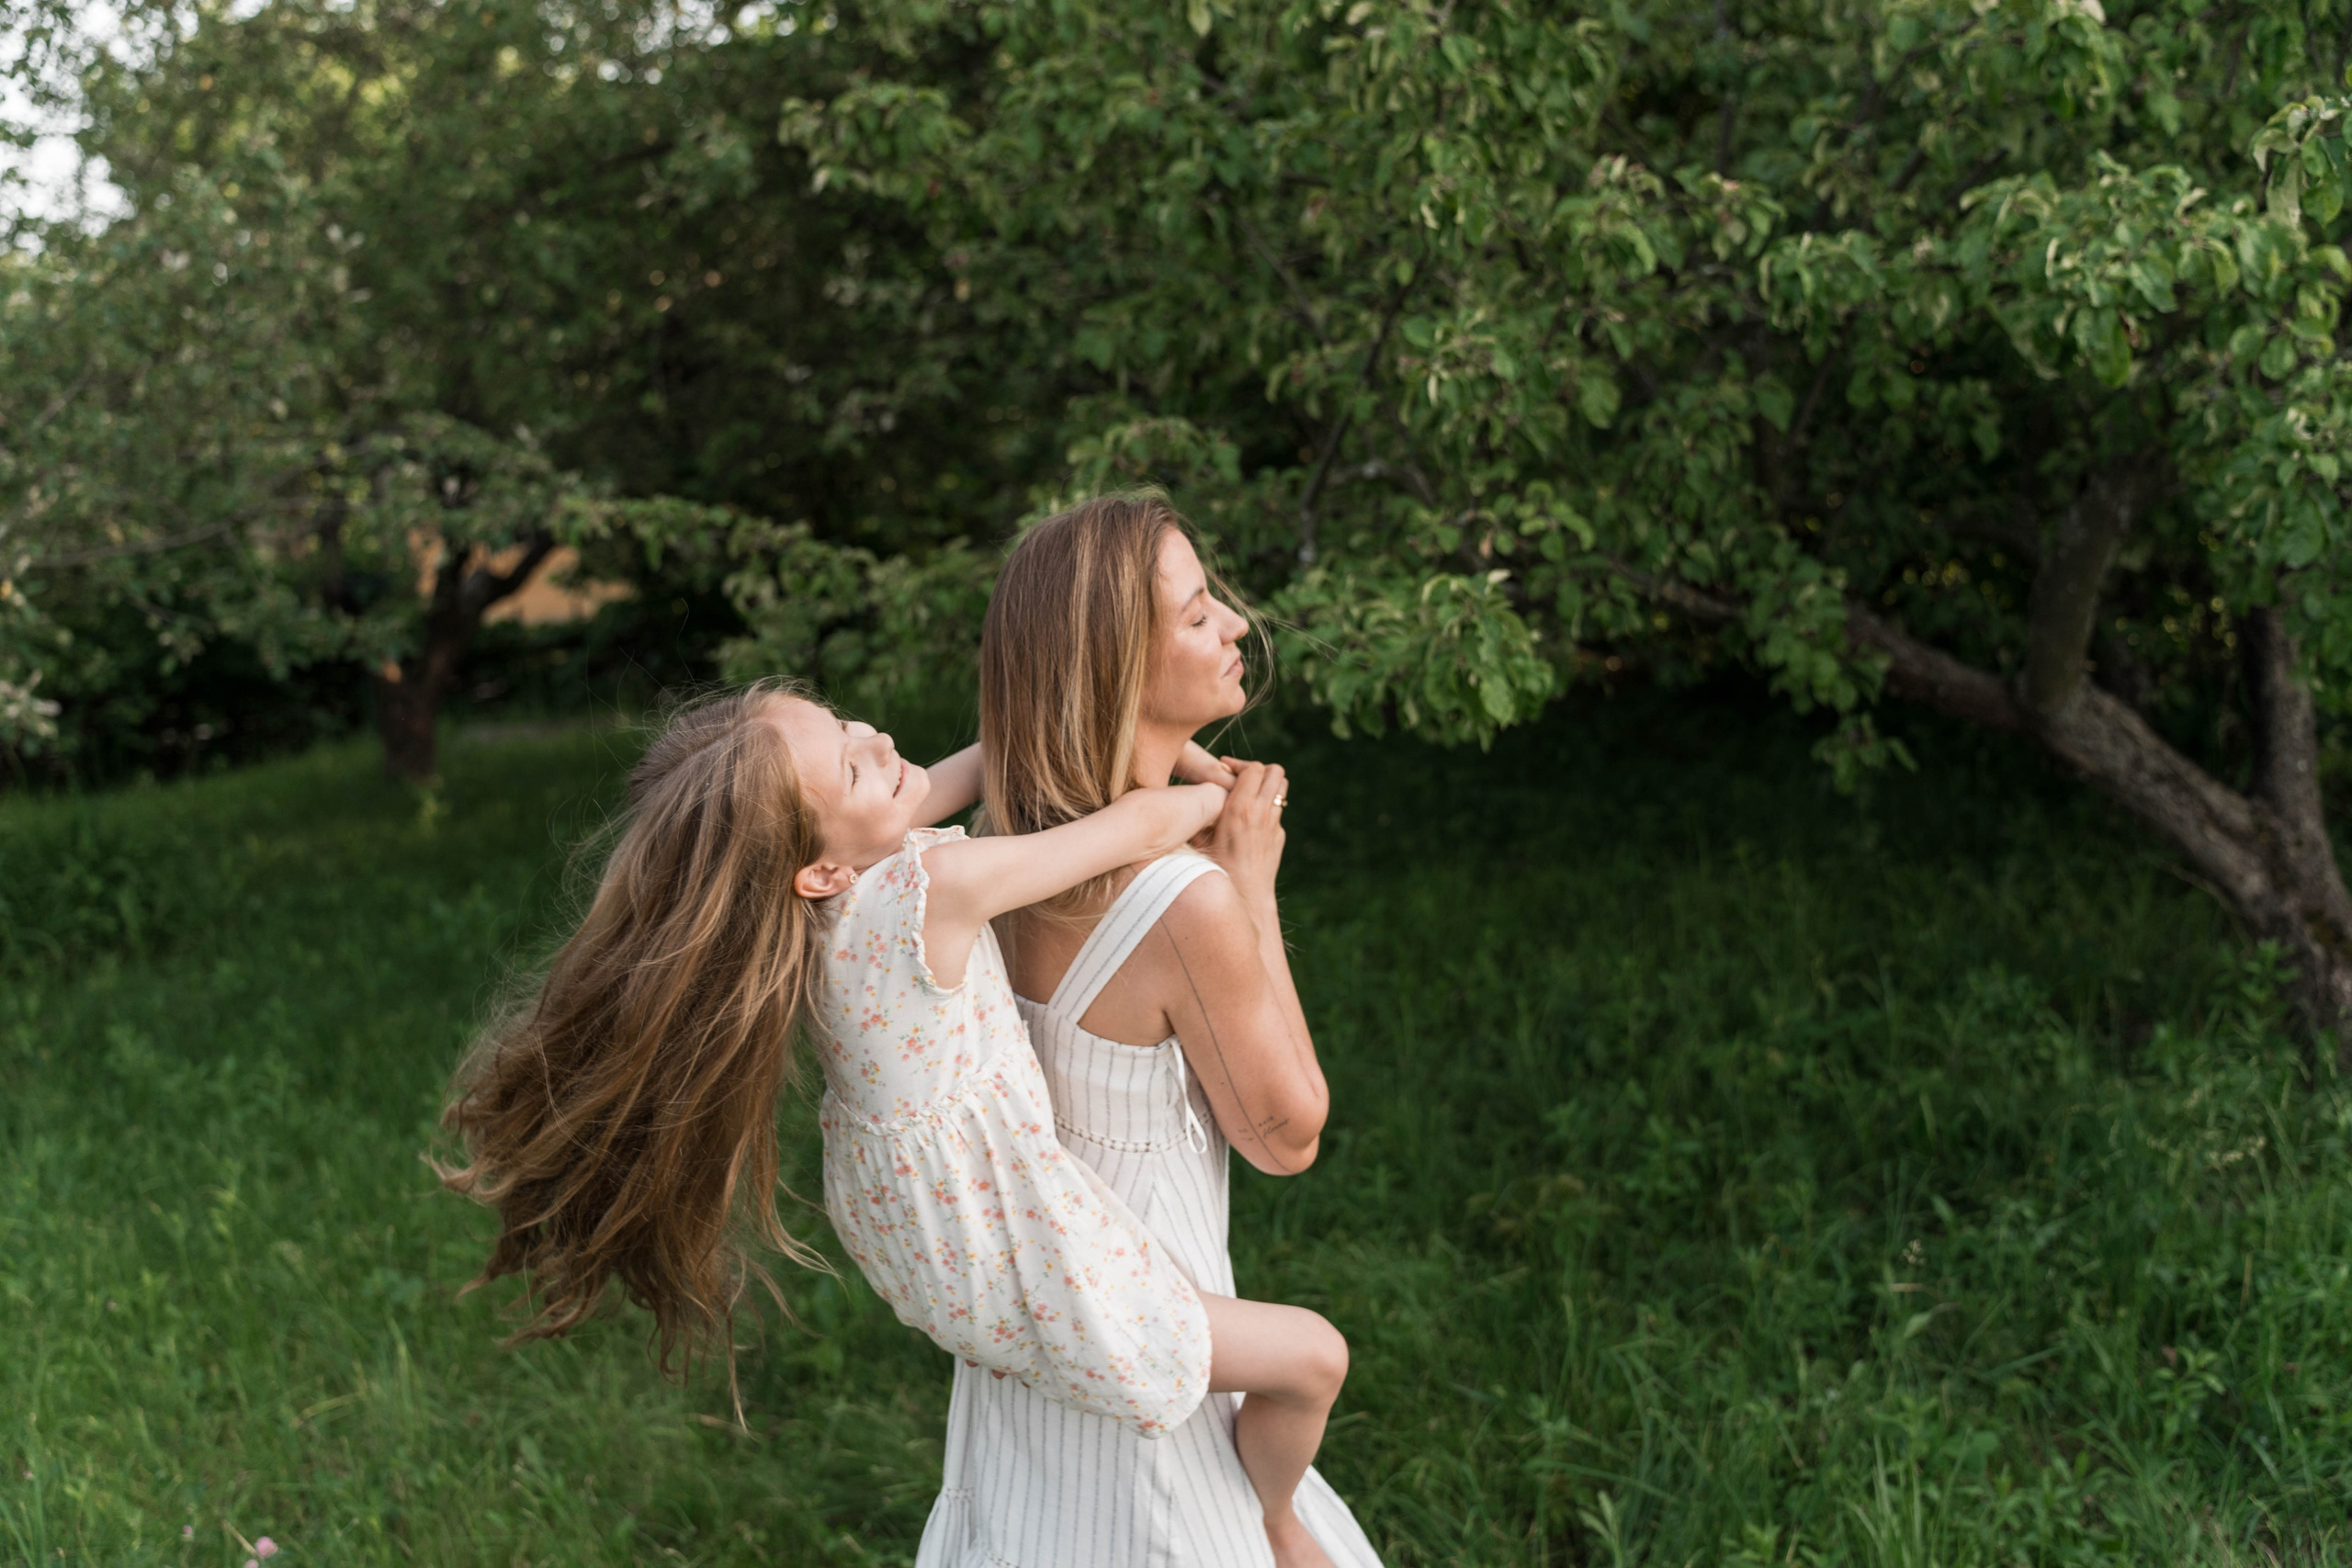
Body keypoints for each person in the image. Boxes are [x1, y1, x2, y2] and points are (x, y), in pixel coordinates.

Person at [436, 678, 1351, 1546]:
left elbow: (997, 756)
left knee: (1144, 1359)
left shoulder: (819, 882)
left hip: (922, 1235)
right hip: (1016, 1243)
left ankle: (1065, 1376)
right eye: (849, 764)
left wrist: (1165, 739)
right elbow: (1131, 828)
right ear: (820, 869)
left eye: (846, 727)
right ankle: (1273, 1522)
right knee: (1312, 1359)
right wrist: (1226, 816)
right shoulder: (930, 891)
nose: (875, 742)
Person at [912, 494, 1384, 1567]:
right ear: (1118, 665)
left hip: (1024, 1371)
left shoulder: (999, 851)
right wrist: (1248, 881)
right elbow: (1286, 1134)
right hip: (1152, 1403)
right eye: (1194, 613)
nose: (1233, 625)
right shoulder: (1175, 901)